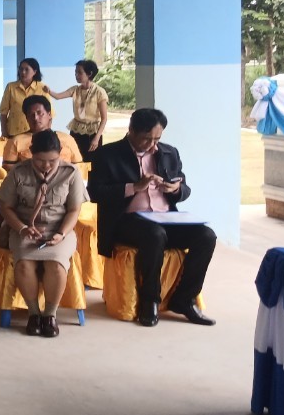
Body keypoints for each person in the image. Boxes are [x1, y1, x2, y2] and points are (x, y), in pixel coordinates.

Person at [88, 108, 216, 327]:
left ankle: (184, 299)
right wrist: (134, 187)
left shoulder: (169, 152)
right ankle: (150, 301)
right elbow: (95, 193)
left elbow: (184, 188)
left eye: (157, 139)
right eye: (147, 139)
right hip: (126, 220)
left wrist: (175, 189)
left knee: (206, 236)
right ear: (131, 130)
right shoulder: (108, 154)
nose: (153, 145)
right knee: (154, 235)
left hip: (165, 218)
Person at [0, 129, 87, 338]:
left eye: (52, 161)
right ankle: (34, 313)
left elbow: (74, 210)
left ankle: (50, 315)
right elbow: (5, 208)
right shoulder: (18, 172)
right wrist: (22, 228)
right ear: (31, 154)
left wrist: (61, 233)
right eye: (40, 161)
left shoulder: (70, 173)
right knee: (24, 264)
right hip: (24, 229)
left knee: (56, 265)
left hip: (59, 230)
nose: (46, 166)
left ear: (60, 154)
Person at [49, 59, 110, 156]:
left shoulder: (99, 92)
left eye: (79, 72)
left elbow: (104, 118)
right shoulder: (75, 90)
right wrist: (48, 91)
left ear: (89, 74)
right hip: (76, 129)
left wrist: (97, 138)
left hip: (92, 132)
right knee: (75, 157)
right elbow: (58, 96)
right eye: (75, 72)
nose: (76, 75)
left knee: (93, 159)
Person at [2, 96, 83, 167]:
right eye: (31, 114)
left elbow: (79, 167)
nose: (35, 118)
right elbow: (8, 167)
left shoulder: (68, 139)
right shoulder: (16, 141)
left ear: (49, 115)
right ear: (27, 118)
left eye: (39, 113)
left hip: (64, 179)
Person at [0, 58, 55, 137]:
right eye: (21, 69)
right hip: (14, 133)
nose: (23, 72)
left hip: (36, 134)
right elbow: (3, 113)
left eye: (26, 69)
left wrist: (47, 134)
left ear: (34, 72)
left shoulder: (42, 88)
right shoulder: (11, 87)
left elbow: (50, 114)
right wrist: (4, 133)